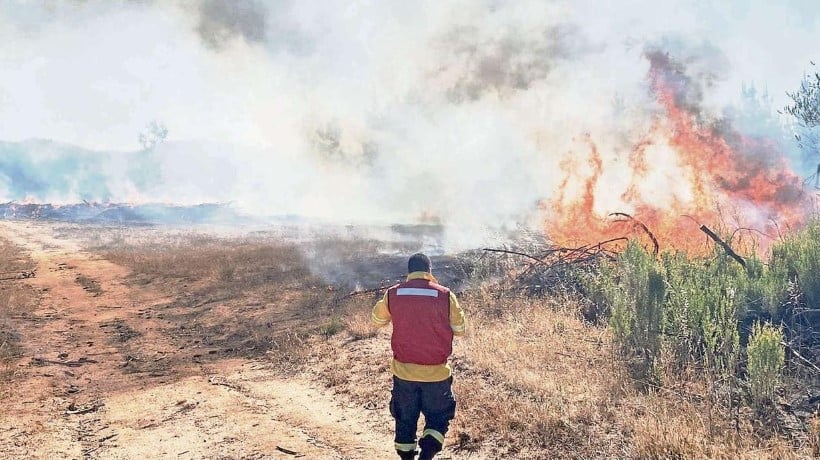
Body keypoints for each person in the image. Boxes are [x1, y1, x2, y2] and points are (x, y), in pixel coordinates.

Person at [371, 253, 466, 460]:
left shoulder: (393, 293)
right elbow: (460, 329)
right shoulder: (445, 295)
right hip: (437, 375)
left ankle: (407, 457)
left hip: (404, 375)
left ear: (409, 272)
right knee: (438, 418)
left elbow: (377, 319)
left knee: (405, 419)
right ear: (429, 271)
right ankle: (427, 455)